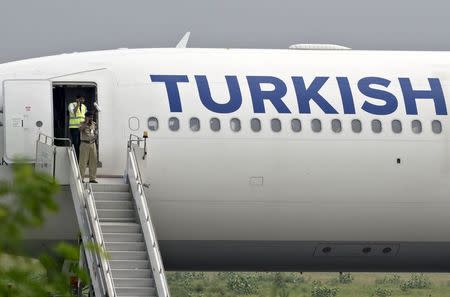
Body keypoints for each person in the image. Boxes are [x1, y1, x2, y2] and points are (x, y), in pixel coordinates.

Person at [79, 111, 98, 183]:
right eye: (90, 117)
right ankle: (81, 178)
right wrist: (86, 122)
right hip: (84, 144)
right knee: (83, 162)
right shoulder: (82, 123)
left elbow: (95, 132)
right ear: (86, 117)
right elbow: (80, 129)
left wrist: (95, 136)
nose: (91, 118)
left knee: (93, 161)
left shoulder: (94, 124)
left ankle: (92, 178)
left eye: (92, 117)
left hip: (92, 144)